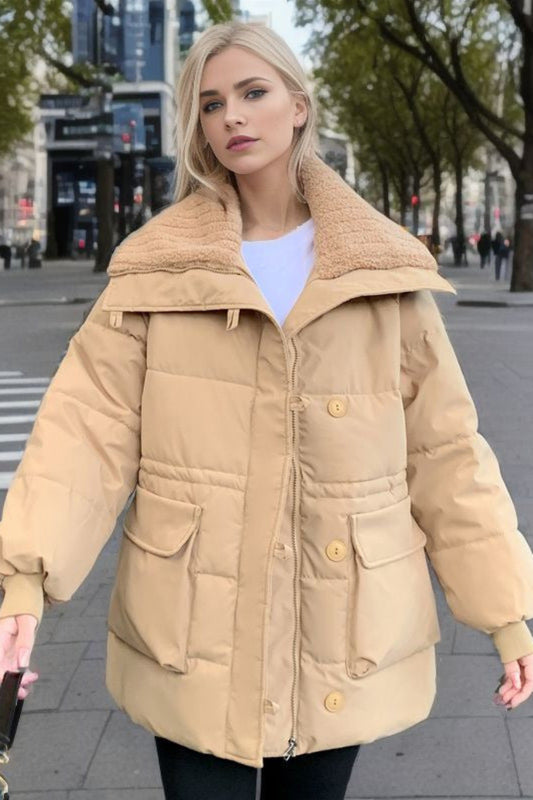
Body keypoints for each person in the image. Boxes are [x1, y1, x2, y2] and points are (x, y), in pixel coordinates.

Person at [1, 20, 533, 800]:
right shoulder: (157, 267)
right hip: (194, 628)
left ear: (298, 105)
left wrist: (504, 610)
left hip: (339, 629)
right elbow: (85, 429)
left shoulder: (380, 270)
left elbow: (444, 449)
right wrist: (24, 581)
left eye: (253, 92)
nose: (233, 117)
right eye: (212, 103)